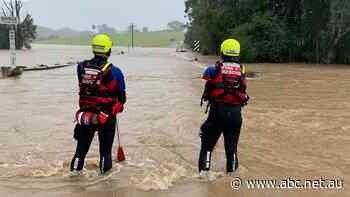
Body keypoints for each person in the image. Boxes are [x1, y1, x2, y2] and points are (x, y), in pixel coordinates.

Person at [70, 34, 126, 175]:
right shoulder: (115, 72)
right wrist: (117, 104)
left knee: (80, 152)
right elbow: (122, 98)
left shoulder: (80, 67)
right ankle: (104, 185)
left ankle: (73, 180)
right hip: (105, 117)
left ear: (93, 49)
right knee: (105, 153)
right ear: (108, 50)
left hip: (85, 116)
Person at [198, 39, 249, 177]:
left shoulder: (213, 69)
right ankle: (232, 179)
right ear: (238, 54)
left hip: (217, 114)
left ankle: (204, 176)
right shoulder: (242, 70)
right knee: (232, 151)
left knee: (207, 146)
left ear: (222, 53)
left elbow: (205, 76)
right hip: (235, 116)